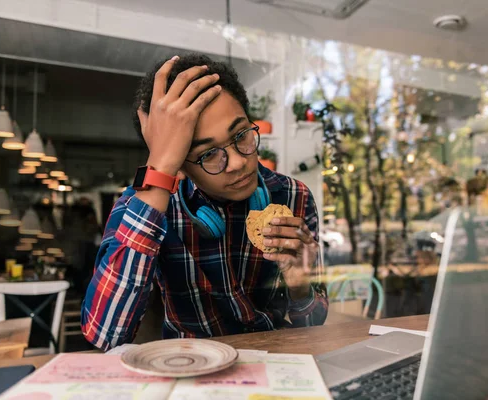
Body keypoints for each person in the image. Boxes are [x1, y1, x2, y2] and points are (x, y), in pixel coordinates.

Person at [81, 54, 328, 350]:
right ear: (180, 163)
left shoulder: (293, 196)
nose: (237, 162)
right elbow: (106, 335)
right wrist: (160, 169)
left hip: (274, 360)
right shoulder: (143, 205)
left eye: (241, 135)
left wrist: (300, 286)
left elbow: (313, 325)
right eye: (207, 153)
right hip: (189, 367)